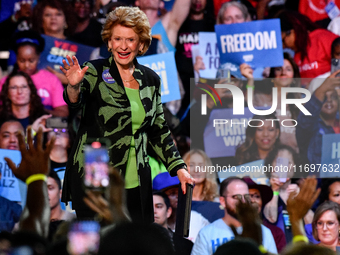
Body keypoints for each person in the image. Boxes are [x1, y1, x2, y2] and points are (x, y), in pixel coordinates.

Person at [60, 6, 194, 222]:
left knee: (135, 243)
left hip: (137, 176)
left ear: (140, 44)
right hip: (97, 172)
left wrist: (179, 167)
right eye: (117, 39)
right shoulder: (93, 71)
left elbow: (158, 129)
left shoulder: (150, 79)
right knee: (95, 243)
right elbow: (74, 101)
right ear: (109, 42)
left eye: (130, 40)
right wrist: (74, 86)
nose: (123, 46)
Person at [191, 177, 277, 255]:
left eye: (246, 196)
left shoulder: (264, 232)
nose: (243, 201)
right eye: (236, 197)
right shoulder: (206, 234)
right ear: (222, 201)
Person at [0, 30, 69, 117]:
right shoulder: (6, 81)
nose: (26, 65)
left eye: (31, 60)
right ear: (16, 58)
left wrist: (39, 110)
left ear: (38, 57)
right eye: (22, 61)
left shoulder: (51, 79)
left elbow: (63, 113)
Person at [240, 53, 301, 152]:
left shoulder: (301, 106)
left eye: (288, 69)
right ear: (272, 76)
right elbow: (245, 105)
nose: (283, 72)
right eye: (278, 69)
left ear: (294, 78)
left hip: (293, 163)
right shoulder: (260, 98)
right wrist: (250, 80)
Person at [263, 144, 313, 243]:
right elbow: (271, 219)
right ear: (271, 166)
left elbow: (312, 224)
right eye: (279, 162)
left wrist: (300, 200)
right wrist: (275, 191)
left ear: (295, 167)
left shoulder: (301, 191)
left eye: (288, 162)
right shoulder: (264, 193)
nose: (283, 167)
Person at [277, 10, 339, 82]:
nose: (283, 46)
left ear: (294, 30)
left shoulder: (323, 39)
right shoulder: (295, 56)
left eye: (283, 41)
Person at [296, 70, 340, 165]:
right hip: (318, 178)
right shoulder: (310, 128)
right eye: (324, 97)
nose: (329, 101)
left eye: (333, 97)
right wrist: (323, 88)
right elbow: (306, 120)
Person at [243, 176, 287, 252]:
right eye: (247, 197)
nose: (253, 200)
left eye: (257, 196)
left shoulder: (275, 233)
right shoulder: (229, 229)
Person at [153, 191, 193, 255]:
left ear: (168, 212)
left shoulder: (185, 245)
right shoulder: (137, 243)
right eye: (150, 208)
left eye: (158, 206)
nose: (154, 211)